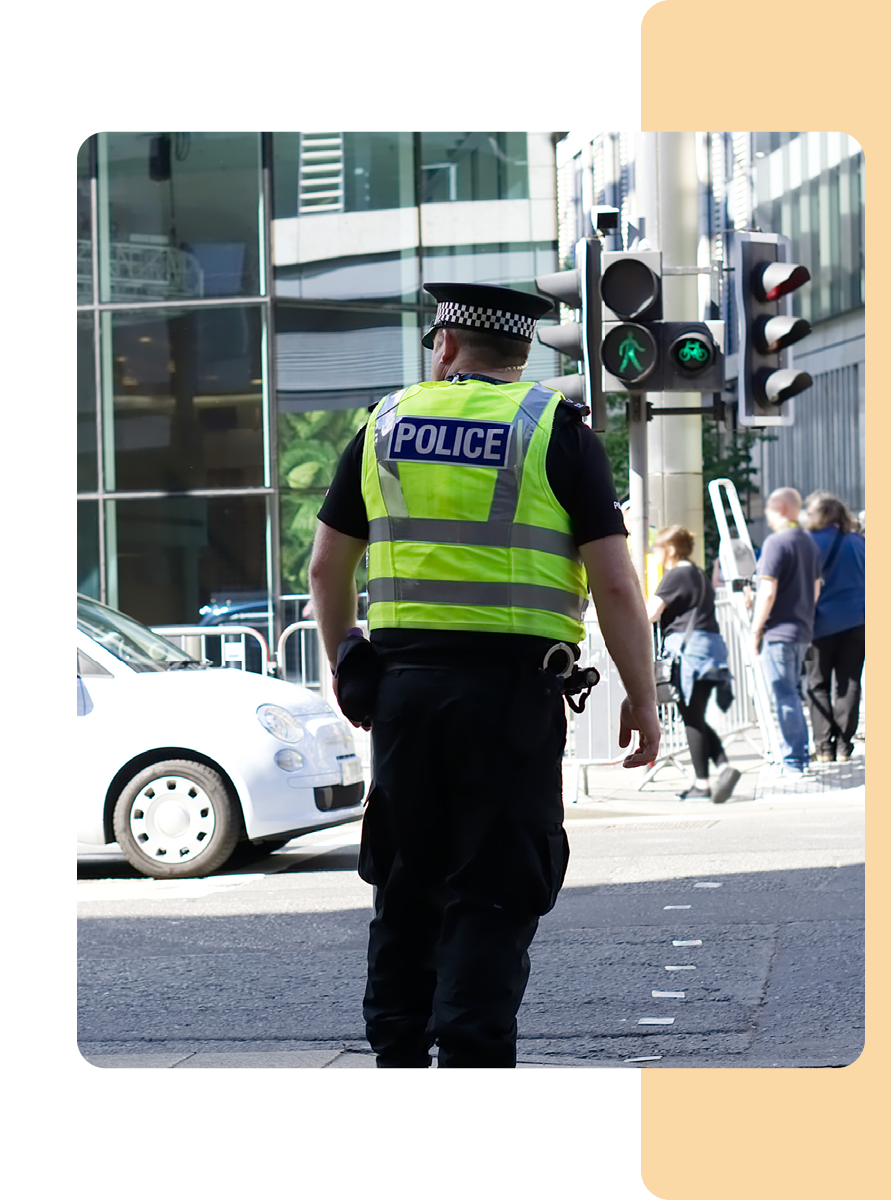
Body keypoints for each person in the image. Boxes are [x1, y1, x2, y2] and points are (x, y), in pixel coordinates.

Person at [308, 281, 662, 1069]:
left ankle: (397, 1054)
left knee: (405, 881)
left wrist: (346, 660)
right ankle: (473, 1063)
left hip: (404, 696)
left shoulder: (382, 425)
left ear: (444, 345)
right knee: (496, 886)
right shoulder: (553, 431)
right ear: (525, 352)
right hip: (511, 701)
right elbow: (613, 583)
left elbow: (328, 567)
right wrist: (643, 697)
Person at [648, 526, 741, 804]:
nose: (655, 552)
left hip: (689, 656)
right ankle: (723, 767)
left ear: (671, 549)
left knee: (691, 718)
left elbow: (650, 613)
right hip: (711, 651)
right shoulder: (699, 574)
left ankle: (702, 783)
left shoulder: (675, 575)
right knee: (696, 715)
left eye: (658, 547)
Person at [750, 487, 821, 774]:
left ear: (779, 508)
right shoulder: (809, 542)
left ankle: (795, 760)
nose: (766, 517)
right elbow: (816, 588)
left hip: (778, 631)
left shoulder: (776, 543)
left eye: (768, 510)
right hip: (802, 629)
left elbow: (767, 591)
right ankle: (799, 754)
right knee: (793, 692)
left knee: (785, 695)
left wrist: (756, 631)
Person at [803, 490, 865, 762]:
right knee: (849, 682)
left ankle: (823, 746)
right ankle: (843, 744)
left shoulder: (809, 542)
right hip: (860, 620)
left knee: (817, 683)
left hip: (821, 623)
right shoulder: (858, 542)